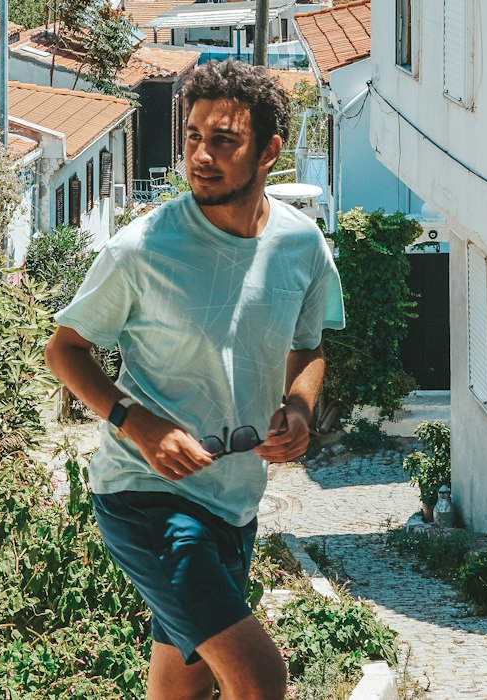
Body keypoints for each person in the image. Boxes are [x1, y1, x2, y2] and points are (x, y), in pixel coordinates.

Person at [45, 62, 345, 700]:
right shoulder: (142, 249)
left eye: (224, 140)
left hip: (233, 504)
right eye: (191, 136)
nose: (200, 155)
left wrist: (298, 406)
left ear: (269, 151)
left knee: (185, 690)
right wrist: (139, 425)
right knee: (260, 677)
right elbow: (65, 350)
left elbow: (309, 345)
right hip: (147, 498)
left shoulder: (302, 245)